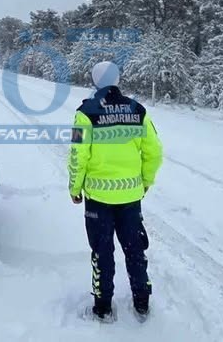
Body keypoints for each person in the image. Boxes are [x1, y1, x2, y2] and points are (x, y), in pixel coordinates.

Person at [68, 61, 163, 321]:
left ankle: (103, 307)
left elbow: (78, 156)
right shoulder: (138, 110)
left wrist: (75, 187)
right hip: (131, 196)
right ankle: (142, 302)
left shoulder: (85, 113)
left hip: (98, 198)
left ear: (94, 81)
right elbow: (154, 153)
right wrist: (145, 182)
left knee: (102, 251)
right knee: (134, 249)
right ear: (118, 79)